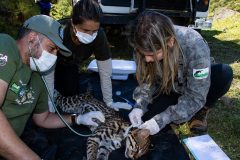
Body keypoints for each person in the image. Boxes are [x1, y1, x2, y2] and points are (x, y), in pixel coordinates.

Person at [0, 15, 105, 160]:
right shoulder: (5, 46)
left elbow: (43, 118)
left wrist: (78, 119)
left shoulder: (37, 77)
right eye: (52, 48)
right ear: (32, 38)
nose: (55, 56)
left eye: (57, 51)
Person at [127, 11, 233, 136]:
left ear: (170, 42)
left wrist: (162, 119)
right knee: (149, 118)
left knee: (224, 73)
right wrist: (139, 105)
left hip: (195, 86)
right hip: (169, 88)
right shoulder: (142, 44)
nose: (147, 60)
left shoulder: (194, 44)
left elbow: (195, 96)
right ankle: (178, 111)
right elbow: (147, 82)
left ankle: (202, 110)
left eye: (151, 55)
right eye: (143, 54)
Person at [54, 0, 132, 112]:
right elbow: (45, 65)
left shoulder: (99, 36)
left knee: (70, 93)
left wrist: (108, 101)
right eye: (85, 30)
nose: (90, 35)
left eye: (94, 30)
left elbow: (105, 71)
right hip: (50, 64)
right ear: (73, 23)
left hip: (71, 65)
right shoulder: (59, 32)